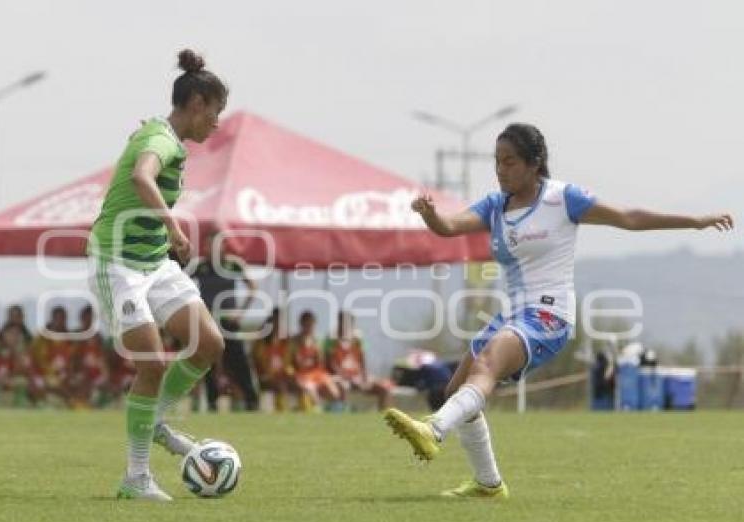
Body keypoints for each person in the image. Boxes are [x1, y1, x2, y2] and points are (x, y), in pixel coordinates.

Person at [384, 122, 734, 499]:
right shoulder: (494, 206)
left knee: (486, 364)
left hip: (549, 316)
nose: (501, 169)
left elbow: (630, 217)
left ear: (535, 164)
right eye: (497, 162)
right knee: (456, 391)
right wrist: (429, 215)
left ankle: (433, 430)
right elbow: (450, 227)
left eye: (510, 161)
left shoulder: (563, 199)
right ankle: (488, 483)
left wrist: (695, 221)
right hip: (513, 314)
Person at [86, 48, 228, 501]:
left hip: (153, 262)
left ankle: (157, 419)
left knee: (208, 344)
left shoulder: (163, 136)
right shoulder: (163, 140)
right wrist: (173, 226)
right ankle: (136, 477)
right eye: (216, 112)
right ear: (198, 103)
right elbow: (143, 179)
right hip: (119, 262)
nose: (217, 123)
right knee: (151, 361)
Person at [192, 234, 259, 411]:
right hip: (207, 321)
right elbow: (182, 284)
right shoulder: (200, 266)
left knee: (239, 361)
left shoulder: (233, 264)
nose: (211, 250)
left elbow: (253, 287)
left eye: (215, 246)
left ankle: (252, 401)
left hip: (229, 321)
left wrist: (240, 312)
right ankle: (212, 402)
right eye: (208, 246)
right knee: (208, 363)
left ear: (223, 247)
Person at [326, 310, 394, 411]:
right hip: (339, 377)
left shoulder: (357, 340)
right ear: (339, 322)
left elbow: (362, 361)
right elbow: (330, 364)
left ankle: (384, 417)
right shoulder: (331, 340)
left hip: (357, 377)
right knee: (342, 386)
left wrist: (364, 377)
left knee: (384, 388)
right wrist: (346, 377)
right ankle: (342, 413)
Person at [251, 308, 307, 411]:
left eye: (282, 322)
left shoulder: (288, 343)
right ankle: (281, 413)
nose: (279, 325)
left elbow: (295, 363)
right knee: (281, 386)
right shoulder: (261, 343)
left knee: (300, 385)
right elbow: (257, 364)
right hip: (265, 378)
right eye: (276, 321)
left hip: (283, 376)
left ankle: (304, 413)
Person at [290, 310, 341, 409]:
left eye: (311, 324)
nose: (309, 327)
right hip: (300, 375)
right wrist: (293, 374)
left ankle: (334, 414)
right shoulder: (293, 342)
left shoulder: (317, 342)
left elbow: (320, 364)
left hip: (317, 374)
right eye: (306, 324)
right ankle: (316, 411)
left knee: (334, 393)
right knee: (310, 390)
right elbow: (289, 364)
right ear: (301, 324)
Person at [30, 305, 75, 404]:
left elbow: (71, 362)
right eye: (58, 318)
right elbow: (36, 360)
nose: (61, 322)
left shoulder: (69, 340)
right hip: (43, 376)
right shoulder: (41, 339)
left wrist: (66, 374)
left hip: (62, 377)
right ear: (53, 319)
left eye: (63, 319)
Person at [68, 304, 106, 409]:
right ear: (81, 319)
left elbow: (102, 358)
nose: (88, 322)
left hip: (96, 374)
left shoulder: (98, 337)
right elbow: (71, 359)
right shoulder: (76, 335)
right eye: (86, 319)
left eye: (91, 319)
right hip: (79, 373)